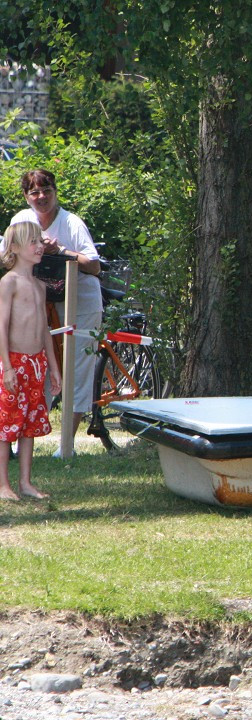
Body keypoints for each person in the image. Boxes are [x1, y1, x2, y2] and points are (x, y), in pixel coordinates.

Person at [11, 169, 101, 442]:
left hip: (81, 304)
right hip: (41, 307)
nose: (41, 197)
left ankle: (66, 445)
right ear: (26, 197)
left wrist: (60, 250)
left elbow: (94, 266)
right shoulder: (21, 221)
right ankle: (28, 442)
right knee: (39, 368)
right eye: (34, 192)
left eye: (46, 190)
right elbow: (8, 258)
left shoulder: (71, 223)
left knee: (78, 371)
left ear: (55, 192)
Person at [0, 223, 62, 500]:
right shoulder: (9, 282)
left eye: (40, 241)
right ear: (14, 248)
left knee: (29, 425)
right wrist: (8, 367)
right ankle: (3, 485)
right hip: (13, 361)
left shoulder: (40, 286)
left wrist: (54, 368)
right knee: (6, 424)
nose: (39, 246)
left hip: (37, 363)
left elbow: (45, 330)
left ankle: (25, 482)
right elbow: (1, 326)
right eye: (32, 242)